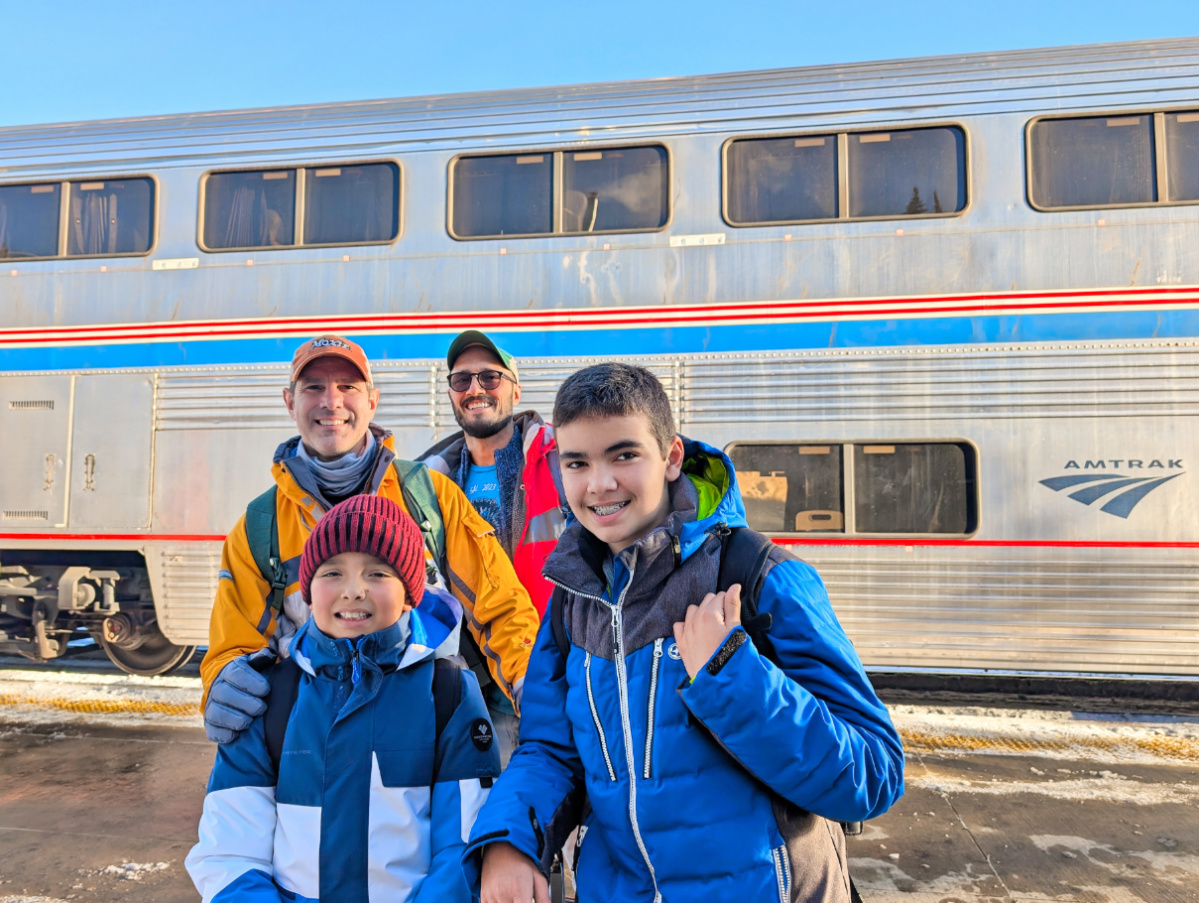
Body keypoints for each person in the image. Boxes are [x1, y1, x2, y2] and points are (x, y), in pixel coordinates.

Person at [466, 363, 906, 903]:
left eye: (624, 455)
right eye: (577, 462)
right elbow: (551, 752)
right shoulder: (572, 599)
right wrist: (511, 840)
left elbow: (874, 774)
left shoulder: (759, 575)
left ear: (672, 457)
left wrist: (730, 675)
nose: (600, 484)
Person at [201, 334, 539, 745]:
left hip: (434, 740)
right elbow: (231, 647)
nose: (332, 401)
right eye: (314, 387)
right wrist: (223, 682)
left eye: (348, 387)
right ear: (290, 403)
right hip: (316, 744)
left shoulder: (432, 497)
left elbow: (501, 606)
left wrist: (531, 686)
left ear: (372, 400)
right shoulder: (258, 527)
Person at [186, 495, 500, 902]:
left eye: (378, 573)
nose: (354, 591)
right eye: (332, 572)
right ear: (308, 593)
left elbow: (463, 847)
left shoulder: (449, 694)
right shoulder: (268, 696)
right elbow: (230, 853)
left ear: (410, 593)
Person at [419, 330, 567, 763]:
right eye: (461, 380)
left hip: (560, 678)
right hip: (480, 694)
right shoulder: (430, 482)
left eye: (490, 377)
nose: (475, 389)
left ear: (516, 389)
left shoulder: (560, 458)